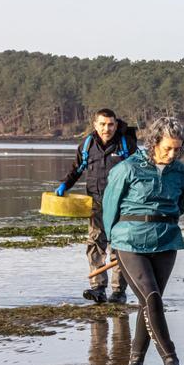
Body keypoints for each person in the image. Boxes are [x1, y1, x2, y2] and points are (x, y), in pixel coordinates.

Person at [102, 116, 184, 365]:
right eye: (167, 148)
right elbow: (110, 208)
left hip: (166, 240)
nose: (172, 154)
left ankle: (135, 364)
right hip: (129, 240)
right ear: (154, 143)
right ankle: (171, 359)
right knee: (151, 297)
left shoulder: (180, 172)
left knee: (148, 303)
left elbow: (181, 204)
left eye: (178, 149)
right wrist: (112, 244)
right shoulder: (127, 169)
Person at [54, 109, 137, 304]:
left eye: (110, 124)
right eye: (102, 124)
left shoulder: (127, 145)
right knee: (94, 245)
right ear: (95, 125)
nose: (106, 128)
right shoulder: (87, 145)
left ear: (116, 125)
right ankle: (98, 289)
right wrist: (65, 185)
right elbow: (76, 169)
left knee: (119, 248)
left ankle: (118, 292)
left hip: (122, 205)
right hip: (96, 204)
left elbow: (140, 171)